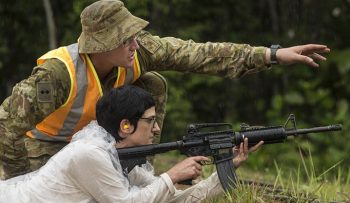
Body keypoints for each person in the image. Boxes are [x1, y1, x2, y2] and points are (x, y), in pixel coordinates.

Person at [0, 0, 330, 179]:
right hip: (46, 152)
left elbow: (201, 54)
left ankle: (138, 170)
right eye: (123, 38)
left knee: (153, 83)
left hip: (99, 144)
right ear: (100, 45)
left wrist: (271, 55)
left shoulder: (138, 52)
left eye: (132, 36)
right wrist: (22, 184)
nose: (134, 44)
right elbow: (5, 128)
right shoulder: (58, 74)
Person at [0, 85, 263, 203]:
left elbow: (170, 200)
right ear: (125, 126)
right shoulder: (89, 153)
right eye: (150, 121)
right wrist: (172, 175)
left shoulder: (121, 156)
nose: (157, 128)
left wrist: (230, 165)